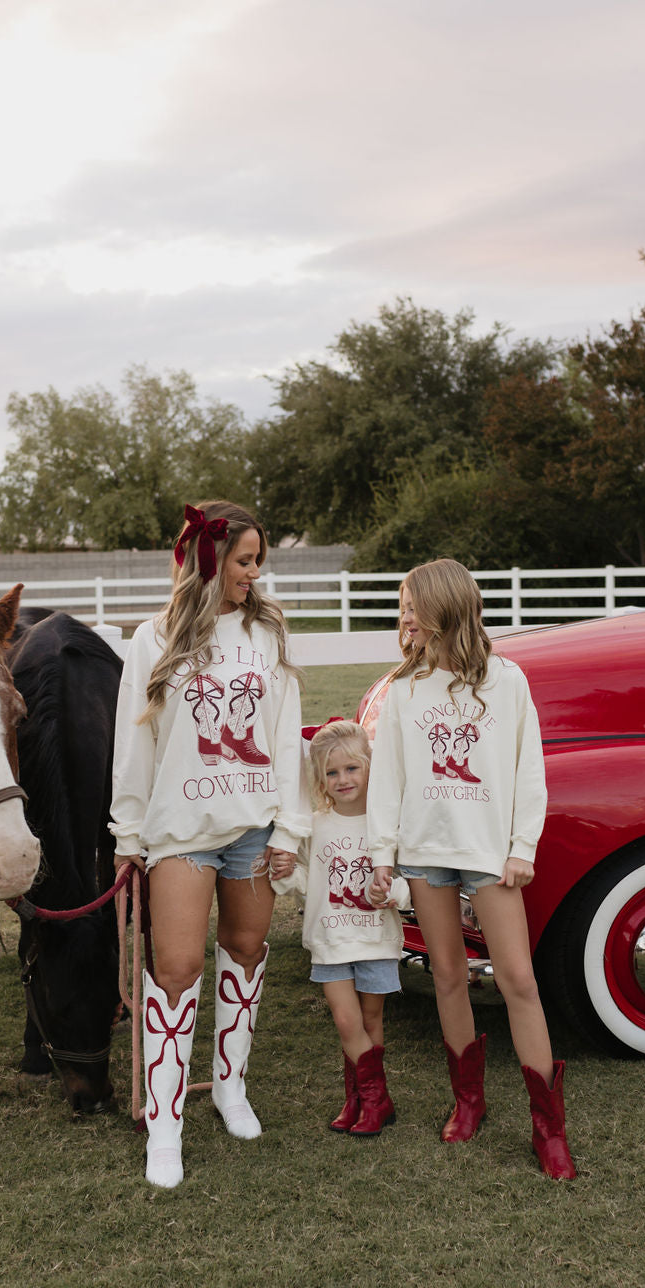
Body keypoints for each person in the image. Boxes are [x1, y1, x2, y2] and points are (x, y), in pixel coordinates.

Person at [109, 500, 309, 1189]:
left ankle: (230, 1088)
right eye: (244, 560)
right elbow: (132, 745)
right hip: (180, 831)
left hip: (252, 826)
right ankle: (165, 1125)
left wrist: (290, 828)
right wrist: (128, 834)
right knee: (176, 966)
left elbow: (287, 737)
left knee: (248, 950)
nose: (255, 573)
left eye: (259, 560)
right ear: (209, 561)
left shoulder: (269, 633)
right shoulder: (153, 639)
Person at [367, 558, 576, 1180]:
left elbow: (528, 771)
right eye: (402, 605)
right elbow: (388, 780)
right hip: (427, 852)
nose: (404, 616)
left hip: (490, 855)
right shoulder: (404, 689)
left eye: (412, 604)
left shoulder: (508, 681)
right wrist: (384, 854)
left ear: (444, 607)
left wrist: (522, 847)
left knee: (517, 980)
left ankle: (549, 1127)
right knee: (449, 976)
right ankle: (469, 1101)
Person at [279, 720, 409, 1135]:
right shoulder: (316, 826)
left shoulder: (386, 827)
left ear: (371, 768)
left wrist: (392, 893)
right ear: (320, 778)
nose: (343, 779)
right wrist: (281, 873)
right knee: (347, 1021)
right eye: (332, 773)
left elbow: (410, 884)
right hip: (330, 939)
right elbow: (303, 881)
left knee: (370, 1022)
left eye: (352, 769)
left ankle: (359, 1099)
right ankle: (377, 1098)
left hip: (375, 939)